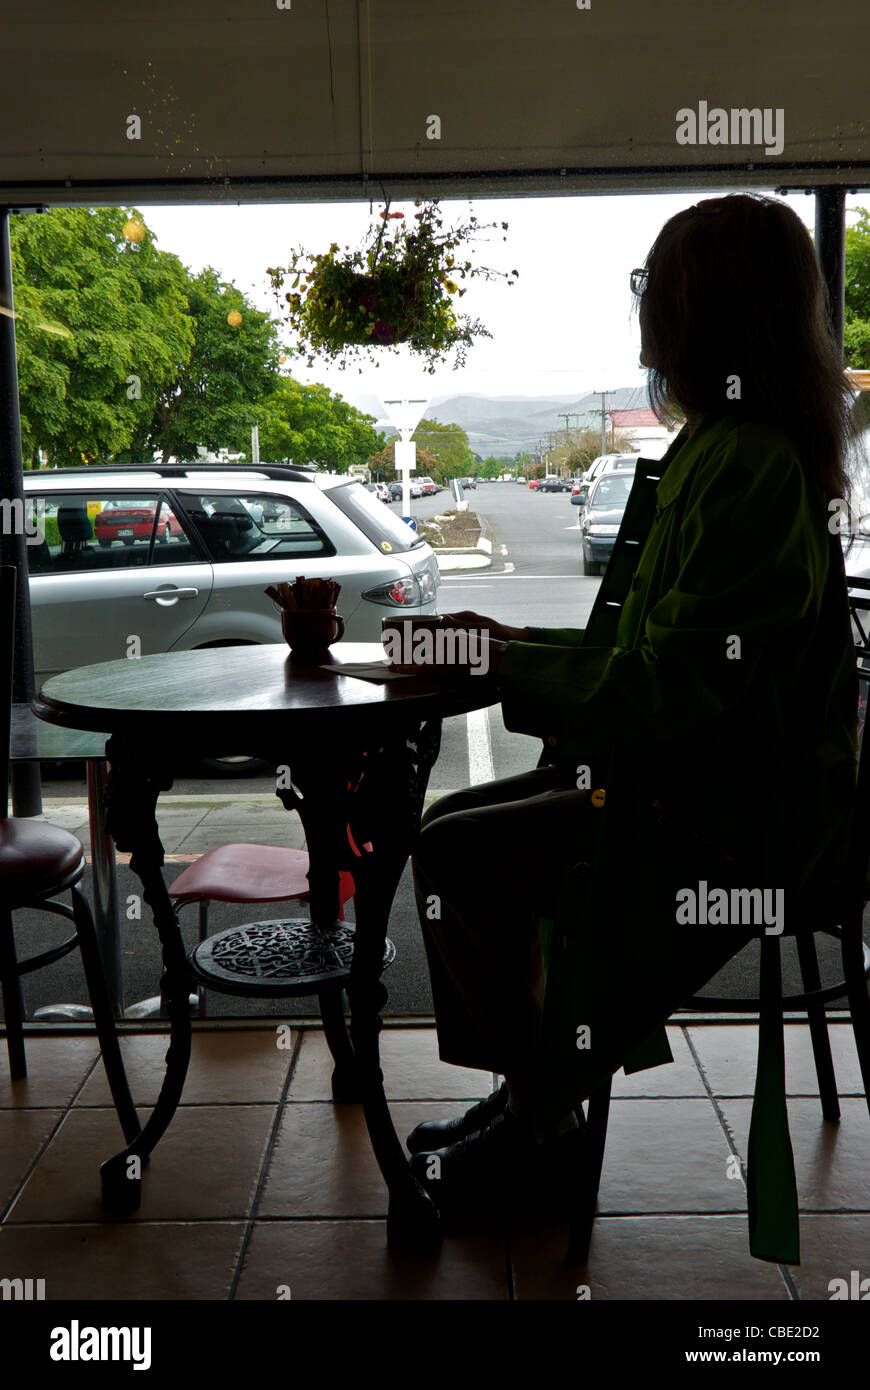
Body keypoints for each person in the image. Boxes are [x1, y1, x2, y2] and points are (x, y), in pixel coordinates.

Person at [389, 194, 861, 1227]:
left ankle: (544, 1115)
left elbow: (673, 692)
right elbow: (649, 660)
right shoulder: (728, 446)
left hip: (738, 817)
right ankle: (536, 1094)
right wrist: (506, 646)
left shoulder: (742, 464)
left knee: (463, 854)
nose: (645, 312)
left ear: (700, 313)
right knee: (453, 837)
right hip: (706, 783)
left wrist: (504, 665)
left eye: (658, 288)